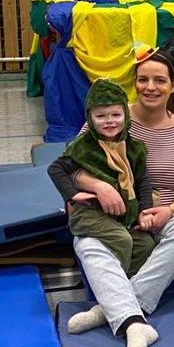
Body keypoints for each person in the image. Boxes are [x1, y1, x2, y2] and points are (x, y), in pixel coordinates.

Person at [53, 51, 174, 347]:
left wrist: (171, 210)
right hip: (116, 209)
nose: (151, 87)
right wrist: (98, 186)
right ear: (134, 84)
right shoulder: (111, 116)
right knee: (88, 243)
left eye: (159, 80)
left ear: (173, 85)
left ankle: (117, 309)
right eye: (143, 80)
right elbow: (72, 165)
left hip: (167, 209)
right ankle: (132, 320)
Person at [49, 78, 156, 277]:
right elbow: (56, 169)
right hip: (90, 214)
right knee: (121, 239)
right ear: (90, 118)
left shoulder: (134, 148)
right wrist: (73, 195)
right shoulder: (84, 146)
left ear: (126, 115)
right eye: (100, 116)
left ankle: (128, 280)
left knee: (145, 243)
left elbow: (142, 180)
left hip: (122, 215)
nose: (109, 121)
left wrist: (145, 210)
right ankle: (118, 284)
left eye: (116, 114)